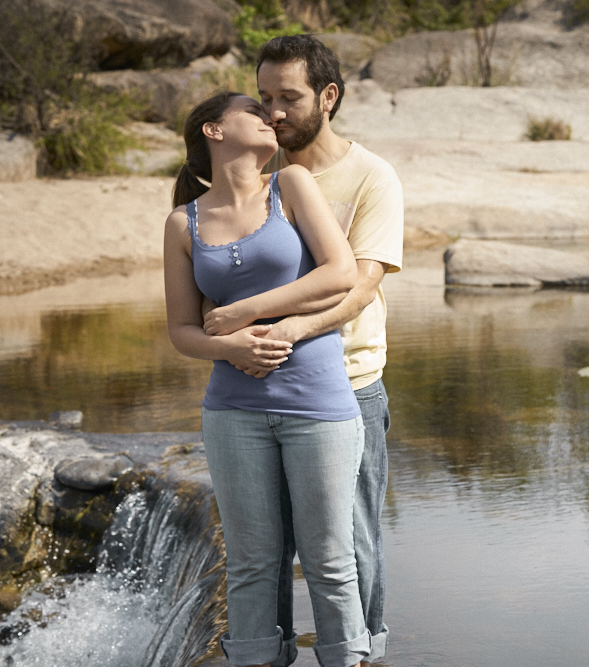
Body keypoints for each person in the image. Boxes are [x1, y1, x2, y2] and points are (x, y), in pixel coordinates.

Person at [200, 35, 404, 667]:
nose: (273, 113)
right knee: (267, 550)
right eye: (263, 98)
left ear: (329, 96)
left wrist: (281, 330)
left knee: (349, 547)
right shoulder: (255, 181)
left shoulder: (370, 177)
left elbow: (359, 286)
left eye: (288, 97)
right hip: (259, 387)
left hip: (349, 381)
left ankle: (366, 653)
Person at [163, 90, 371, 667]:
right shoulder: (184, 222)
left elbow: (341, 272)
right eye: (255, 112)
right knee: (252, 561)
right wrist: (227, 347)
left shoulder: (292, 185)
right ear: (213, 130)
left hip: (318, 403)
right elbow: (182, 330)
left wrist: (247, 312)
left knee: (330, 560)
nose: (271, 117)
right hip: (233, 412)